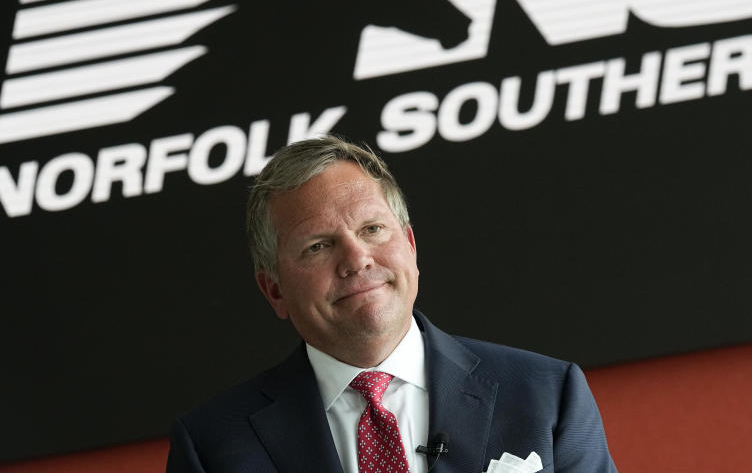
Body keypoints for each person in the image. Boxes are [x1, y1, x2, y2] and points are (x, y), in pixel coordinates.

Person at [166, 135, 617, 472]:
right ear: (275, 290)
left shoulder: (547, 395)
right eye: (318, 246)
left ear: (410, 245)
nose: (357, 259)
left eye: (373, 230)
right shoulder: (212, 446)